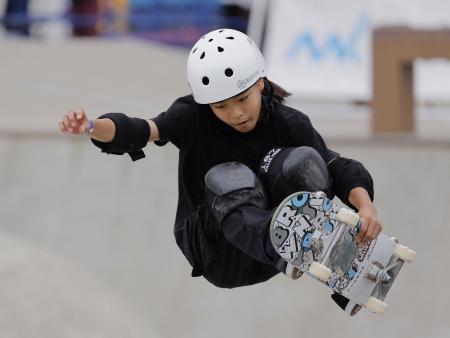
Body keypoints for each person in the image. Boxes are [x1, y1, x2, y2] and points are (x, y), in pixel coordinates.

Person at [59, 28, 381, 310]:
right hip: (217, 250)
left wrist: (365, 207)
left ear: (261, 84)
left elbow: (334, 165)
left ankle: (340, 263)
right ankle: (278, 240)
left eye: (242, 99)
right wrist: (90, 125)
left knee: (301, 161)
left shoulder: (290, 123)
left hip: (272, 259)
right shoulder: (191, 117)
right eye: (221, 106)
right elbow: (140, 130)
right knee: (230, 175)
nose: (235, 113)